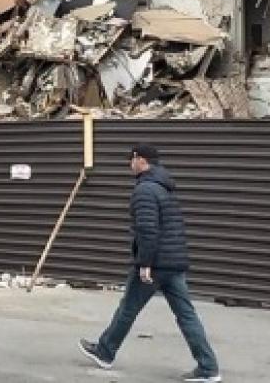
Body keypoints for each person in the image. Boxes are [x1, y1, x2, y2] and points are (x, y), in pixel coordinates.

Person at [78, 143, 221, 383]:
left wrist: (145, 263)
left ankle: (105, 351)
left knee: (128, 309)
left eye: (131, 159)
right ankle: (209, 368)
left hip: (155, 263)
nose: (129, 164)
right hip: (174, 262)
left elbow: (147, 230)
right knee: (187, 315)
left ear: (140, 160)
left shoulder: (145, 190)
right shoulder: (165, 187)